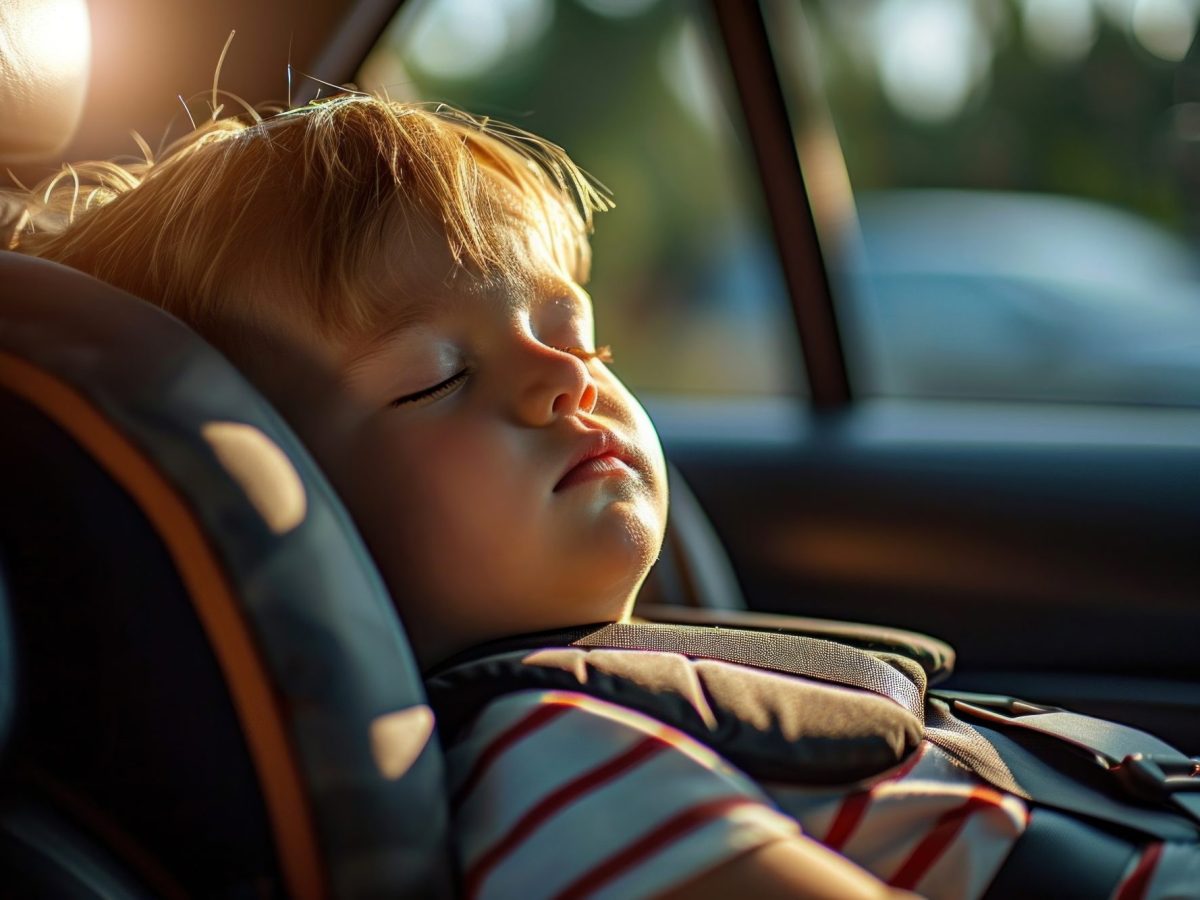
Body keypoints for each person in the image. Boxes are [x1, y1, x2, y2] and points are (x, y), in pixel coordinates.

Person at [3, 96, 1181, 899]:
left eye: (577, 332)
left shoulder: (674, 686)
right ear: (296, 530)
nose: (565, 375)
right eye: (436, 378)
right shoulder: (557, 773)